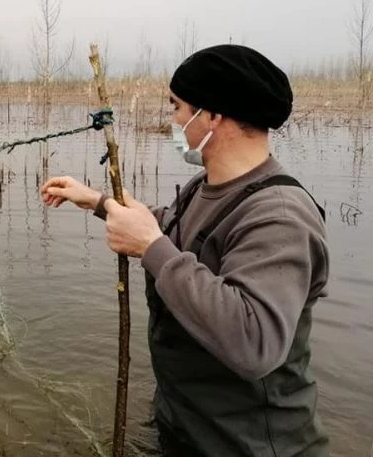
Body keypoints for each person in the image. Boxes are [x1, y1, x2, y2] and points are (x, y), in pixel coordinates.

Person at [41, 44, 330, 457]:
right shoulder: (205, 186)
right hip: (187, 429)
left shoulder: (280, 216)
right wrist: (97, 202)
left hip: (250, 447)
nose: (173, 121)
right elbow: (174, 232)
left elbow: (255, 342)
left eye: (177, 107)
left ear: (212, 114)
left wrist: (151, 248)